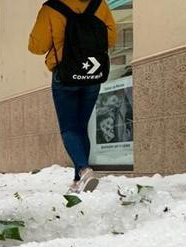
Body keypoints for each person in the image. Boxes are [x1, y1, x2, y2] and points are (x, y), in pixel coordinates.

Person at [29, 0, 116, 193]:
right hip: (92, 75)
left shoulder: (51, 9)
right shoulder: (99, 4)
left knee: (69, 128)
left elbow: (37, 46)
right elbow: (111, 38)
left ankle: (84, 170)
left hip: (66, 76)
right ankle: (79, 179)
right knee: (80, 127)